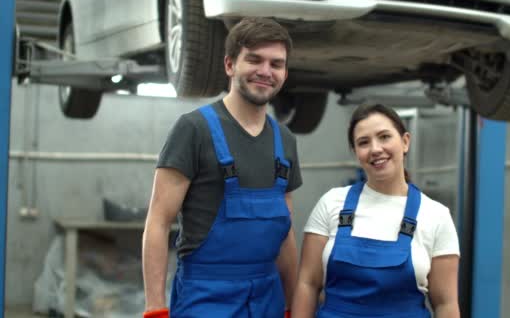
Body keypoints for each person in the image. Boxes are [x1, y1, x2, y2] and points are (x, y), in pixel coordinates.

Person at [142, 17, 302, 318]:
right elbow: (158, 222)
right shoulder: (193, 129)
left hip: (268, 297)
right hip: (206, 297)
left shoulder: (286, 141)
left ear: (284, 72)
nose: (265, 71)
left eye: (276, 64)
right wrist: (155, 309)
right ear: (229, 65)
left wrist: (294, 305)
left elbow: (286, 235)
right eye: (254, 59)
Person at [292, 102, 460, 318]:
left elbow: (446, 305)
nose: (375, 149)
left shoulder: (436, 216)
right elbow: (308, 284)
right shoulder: (332, 203)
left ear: (405, 141)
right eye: (364, 142)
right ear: (356, 152)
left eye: (384, 137)